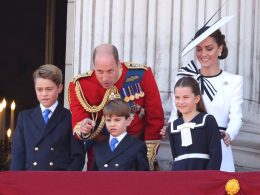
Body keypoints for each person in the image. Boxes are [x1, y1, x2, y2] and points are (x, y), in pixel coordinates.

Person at [68, 43, 164, 170]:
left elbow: (155, 117)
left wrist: (149, 157)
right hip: (100, 155)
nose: (105, 78)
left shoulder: (141, 75)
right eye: (99, 71)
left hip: (134, 153)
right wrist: (84, 127)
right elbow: (78, 121)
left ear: (119, 64)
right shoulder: (80, 85)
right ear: (93, 66)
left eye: (110, 71)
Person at [167, 18, 243, 172]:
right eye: (199, 49)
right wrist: (170, 128)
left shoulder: (234, 81)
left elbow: (236, 117)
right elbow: (176, 114)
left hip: (219, 144)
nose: (203, 54)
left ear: (220, 49)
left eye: (209, 48)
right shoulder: (184, 79)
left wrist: (229, 134)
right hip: (189, 148)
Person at [11, 64, 85, 171]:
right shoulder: (24, 118)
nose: (44, 94)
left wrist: (66, 181)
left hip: (58, 181)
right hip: (30, 180)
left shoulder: (69, 117)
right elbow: (18, 155)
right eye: (39, 89)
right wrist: (17, 183)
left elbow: (78, 156)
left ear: (59, 88)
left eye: (49, 89)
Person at [167, 77, 222, 170]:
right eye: (177, 97)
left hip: (202, 177)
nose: (181, 102)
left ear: (196, 98)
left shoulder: (208, 120)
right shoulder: (172, 126)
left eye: (186, 97)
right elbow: (175, 157)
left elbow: (216, 155)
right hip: (179, 177)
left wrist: (208, 180)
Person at [92, 99, 149, 171]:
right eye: (108, 120)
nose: (112, 124)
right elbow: (93, 177)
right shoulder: (98, 147)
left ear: (128, 121)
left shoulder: (137, 146)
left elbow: (144, 177)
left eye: (117, 120)